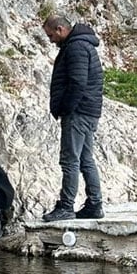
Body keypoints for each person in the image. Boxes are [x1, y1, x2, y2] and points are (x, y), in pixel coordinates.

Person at [42, 14, 104, 221]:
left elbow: (77, 82)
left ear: (60, 29)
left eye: (51, 35)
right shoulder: (84, 45)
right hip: (89, 111)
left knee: (70, 160)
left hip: (78, 112)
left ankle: (66, 206)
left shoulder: (75, 47)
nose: (50, 40)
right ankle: (95, 204)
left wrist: (65, 108)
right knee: (86, 158)